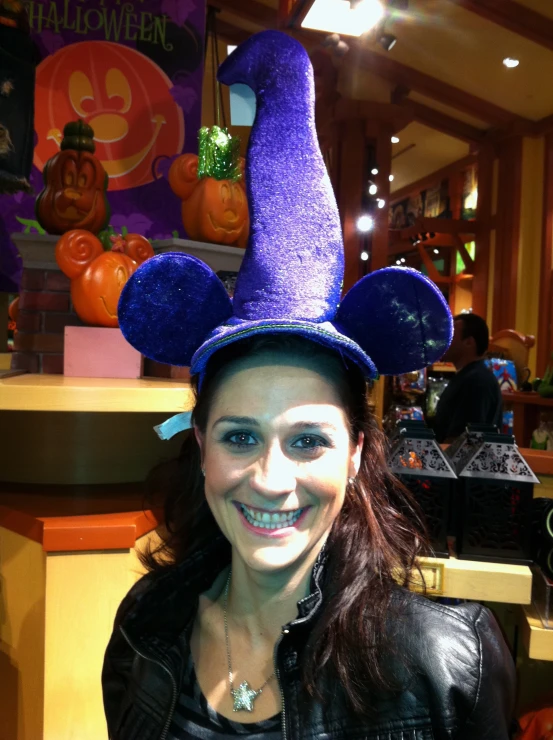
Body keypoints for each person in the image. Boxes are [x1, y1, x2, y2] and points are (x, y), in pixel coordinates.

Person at [102, 30, 516, 740]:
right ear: (199, 444)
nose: (269, 479)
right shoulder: (146, 629)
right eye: (240, 435)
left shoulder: (449, 666)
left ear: (355, 453)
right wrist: (216, 144)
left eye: (307, 440)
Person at [433, 313, 503, 443]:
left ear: (469, 342)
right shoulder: (467, 376)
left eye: (451, 336)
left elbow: (462, 441)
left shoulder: (477, 381)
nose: (445, 341)